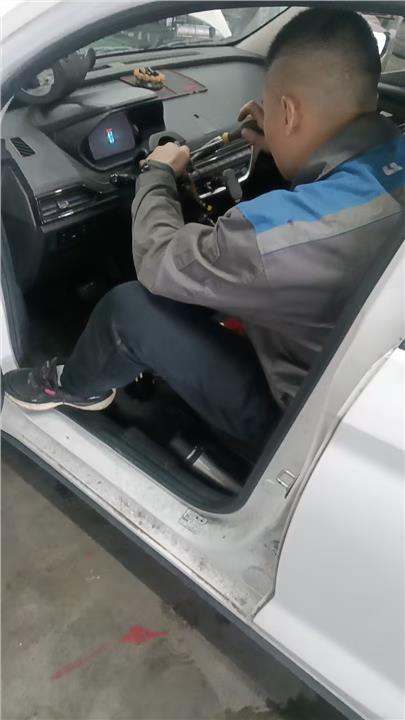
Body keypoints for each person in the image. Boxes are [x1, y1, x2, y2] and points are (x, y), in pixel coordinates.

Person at [5, 8, 405, 448]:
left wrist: (156, 174)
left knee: (129, 308)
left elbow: (159, 260)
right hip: (358, 387)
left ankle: (74, 387)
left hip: (301, 428)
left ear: (289, 113)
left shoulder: (279, 235)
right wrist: (282, 143)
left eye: (271, 110)